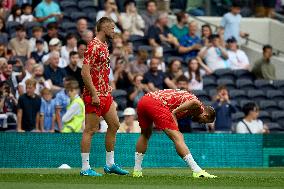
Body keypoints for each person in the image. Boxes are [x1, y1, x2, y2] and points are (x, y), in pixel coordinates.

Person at [80, 17, 129, 176]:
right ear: (104, 28)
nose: (114, 31)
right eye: (113, 28)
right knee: (90, 130)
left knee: (114, 125)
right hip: (94, 95)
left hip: (105, 94)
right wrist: (94, 93)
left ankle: (109, 164)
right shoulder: (93, 46)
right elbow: (84, 72)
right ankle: (85, 168)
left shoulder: (105, 45)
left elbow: (101, 70)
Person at [132, 89, 216, 178]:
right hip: (156, 103)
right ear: (205, 115)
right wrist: (174, 113)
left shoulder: (187, 106)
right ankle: (197, 171)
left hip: (144, 100)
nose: (201, 123)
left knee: (145, 134)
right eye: (204, 121)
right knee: (178, 137)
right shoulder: (199, 108)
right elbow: (195, 102)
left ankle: (137, 171)